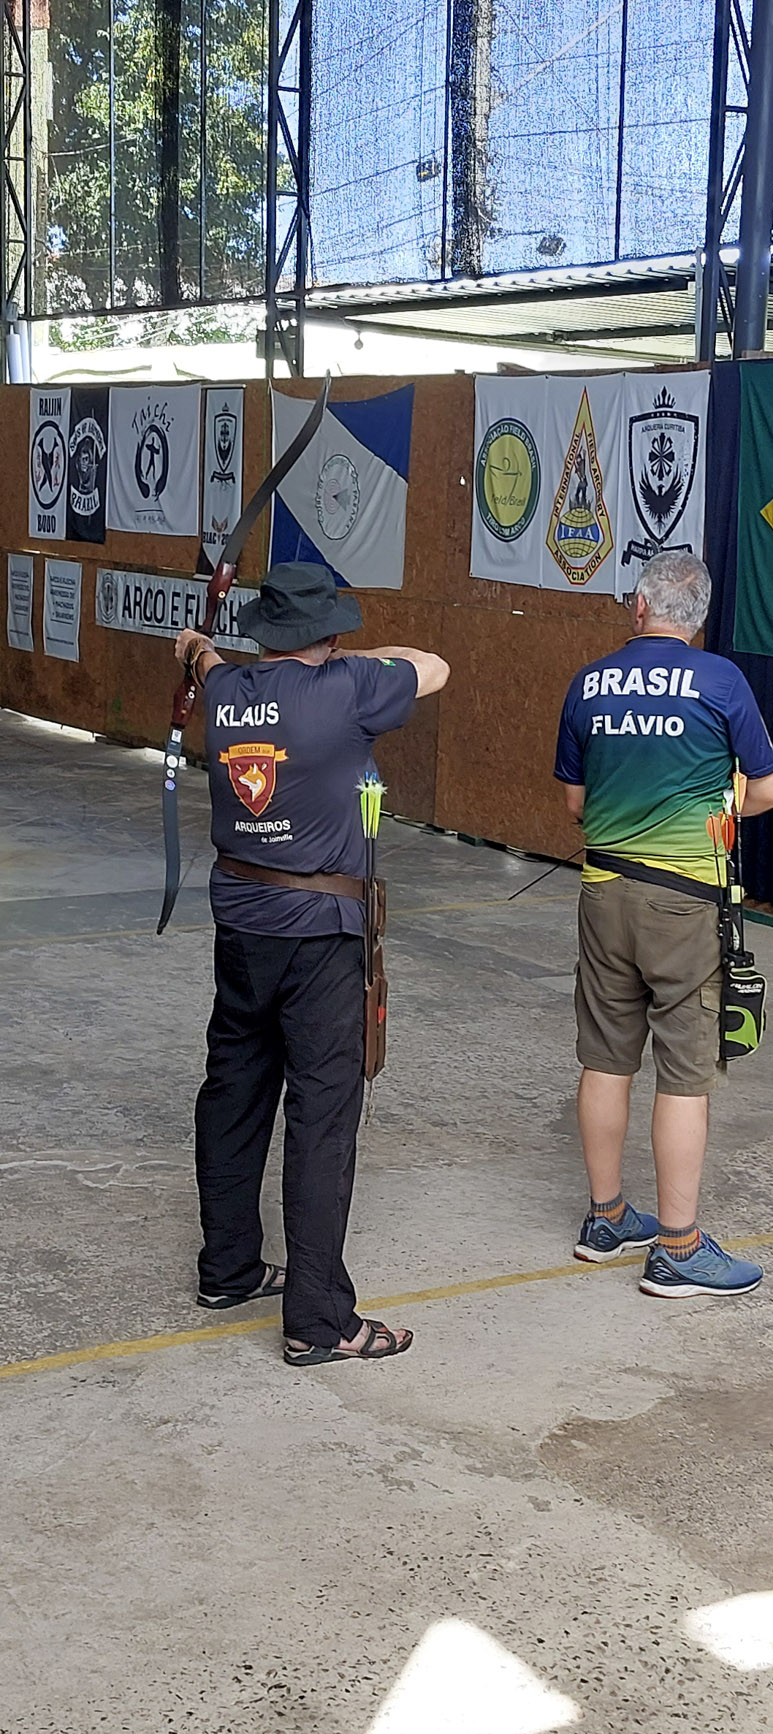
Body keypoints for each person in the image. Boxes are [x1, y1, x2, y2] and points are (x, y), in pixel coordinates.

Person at [176, 563, 450, 1364]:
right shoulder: (352, 687)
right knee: (323, 1117)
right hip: (322, 934)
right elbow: (432, 666)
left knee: (234, 1090)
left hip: (242, 926)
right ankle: (319, 1322)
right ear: (329, 633)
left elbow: (204, 658)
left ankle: (228, 1269)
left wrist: (194, 649)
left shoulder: (228, 689)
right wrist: (345, 658)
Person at [555, 550, 773, 1299]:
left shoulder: (589, 681)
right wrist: (712, 805)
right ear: (700, 619)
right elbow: (771, 792)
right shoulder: (720, 680)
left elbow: (574, 804)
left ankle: (606, 1218)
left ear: (639, 607)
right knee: (685, 1072)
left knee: (605, 1056)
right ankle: (679, 1248)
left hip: (603, 892)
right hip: (685, 902)